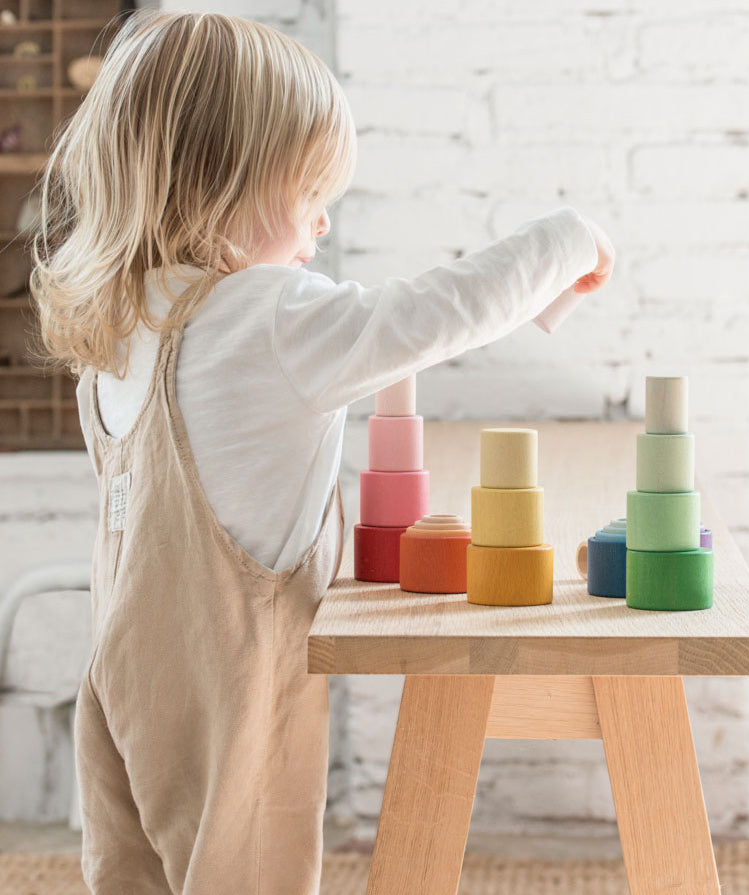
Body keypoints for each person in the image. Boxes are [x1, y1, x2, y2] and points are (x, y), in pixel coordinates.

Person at [29, 9, 614, 895]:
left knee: (132, 877)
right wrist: (568, 239)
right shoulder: (269, 318)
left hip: (118, 672)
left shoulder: (126, 326)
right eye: (307, 196)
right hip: (233, 681)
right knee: (248, 870)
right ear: (226, 188)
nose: (323, 223)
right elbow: (428, 314)